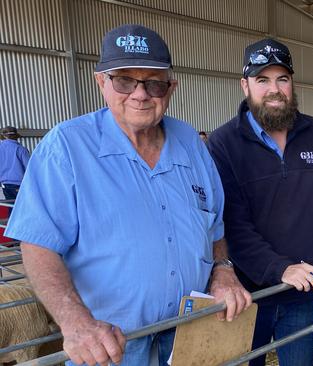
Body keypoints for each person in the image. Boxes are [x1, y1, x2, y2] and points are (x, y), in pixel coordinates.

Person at [5, 24, 251, 366]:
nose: (140, 94)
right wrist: (75, 322)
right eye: (124, 81)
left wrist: (223, 271)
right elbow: (38, 245)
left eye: (154, 82)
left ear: (170, 88)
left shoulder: (191, 143)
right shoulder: (66, 147)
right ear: (101, 82)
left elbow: (214, 226)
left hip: (189, 328)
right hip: (111, 343)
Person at [207, 38, 313, 366]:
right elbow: (232, 223)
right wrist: (280, 268)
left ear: (292, 84)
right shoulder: (224, 143)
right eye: (262, 80)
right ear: (244, 85)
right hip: (249, 294)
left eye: (282, 79)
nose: (274, 89)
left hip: (302, 292)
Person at [0, 126, 31, 210]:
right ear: (16, 137)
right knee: (23, 208)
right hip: (19, 185)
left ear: (4, 136)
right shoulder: (21, 149)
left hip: (5, 184)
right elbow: (29, 168)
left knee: (11, 208)